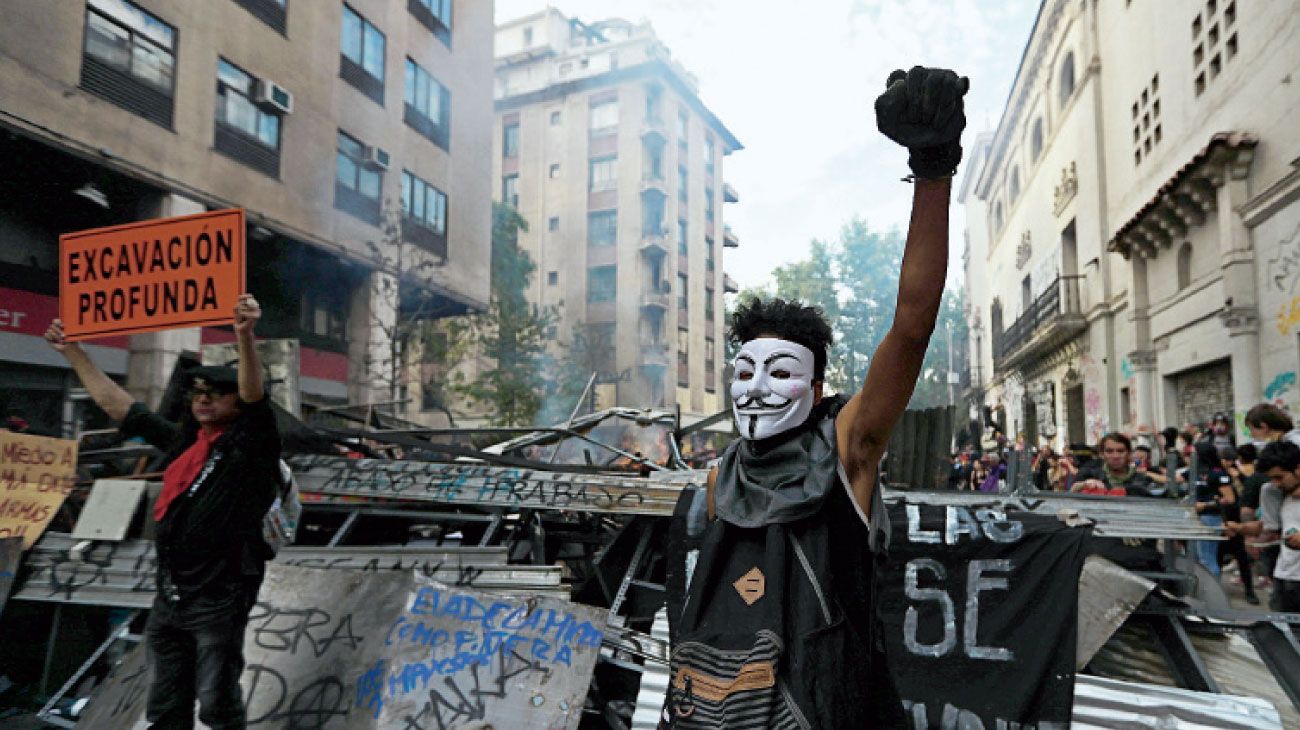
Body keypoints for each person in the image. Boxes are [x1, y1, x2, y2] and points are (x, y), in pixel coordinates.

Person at [659, 65, 966, 729]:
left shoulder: (845, 451)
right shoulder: (715, 483)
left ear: (817, 387)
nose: (757, 388)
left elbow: (912, 325)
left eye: (780, 372)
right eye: (745, 371)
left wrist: (933, 171)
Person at [44, 294, 279, 730]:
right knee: (165, 707)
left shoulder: (250, 447)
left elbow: (254, 398)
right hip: (170, 597)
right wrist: (73, 352)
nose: (203, 400)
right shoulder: (186, 445)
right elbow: (122, 409)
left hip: (218, 598)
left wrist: (244, 335)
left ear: (236, 404)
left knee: (216, 704)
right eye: (198, 393)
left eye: (217, 394)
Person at [1247, 441, 1300, 612]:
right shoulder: (1277, 493)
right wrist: (1244, 531)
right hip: (1285, 576)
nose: (1276, 483)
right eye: (1272, 478)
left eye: (1280, 477)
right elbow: (1271, 529)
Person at [1189, 441, 1235, 577]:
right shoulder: (1195, 471)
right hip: (1196, 518)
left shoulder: (1217, 473)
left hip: (1210, 517)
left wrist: (1205, 505)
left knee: (1207, 557)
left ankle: (1213, 585)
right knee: (1197, 557)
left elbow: (1230, 498)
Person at [1073, 433, 1158, 496]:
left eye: (1120, 451)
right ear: (1102, 454)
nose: (1115, 456)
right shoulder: (1088, 475)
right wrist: (1083, 485)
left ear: (1129, 454)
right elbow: (1072, 498)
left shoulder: (1142, 480)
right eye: (1109, 451)